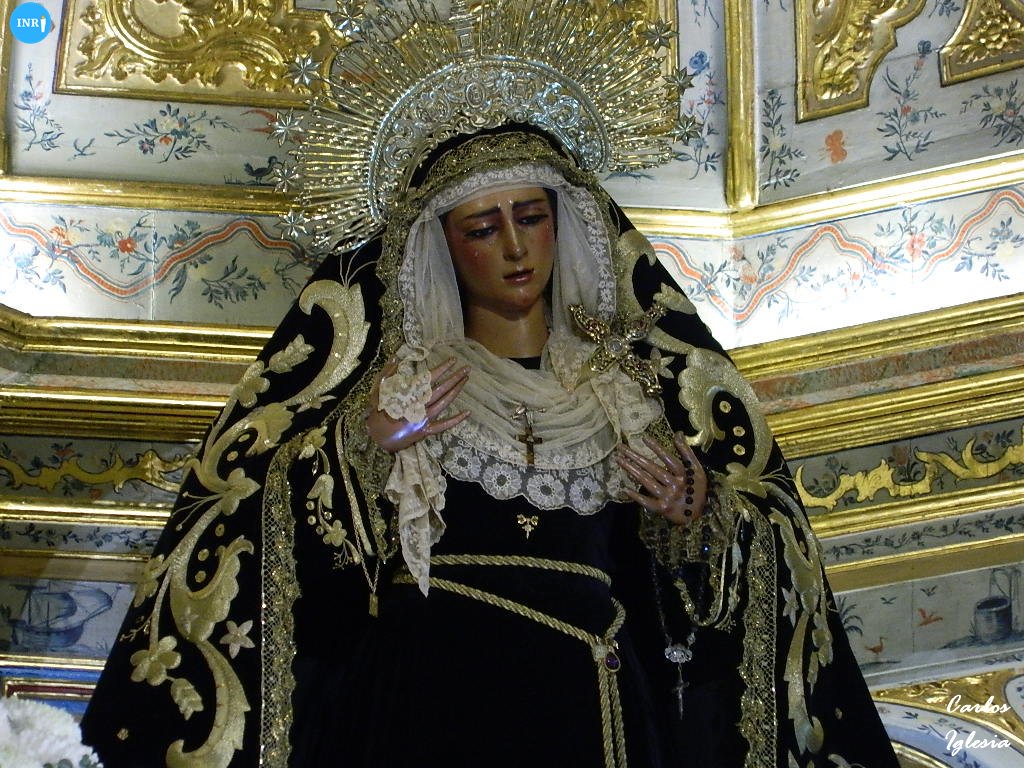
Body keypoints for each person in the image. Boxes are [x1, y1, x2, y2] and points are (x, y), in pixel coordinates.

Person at [81, 126, 901, 768]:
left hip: (595, 706)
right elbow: (269, 538)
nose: (514, 247)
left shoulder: (626, 401)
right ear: (442, 246)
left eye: (531, 218)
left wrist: (696, 520)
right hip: (431, 697)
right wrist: (359, 452)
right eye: (482, 227)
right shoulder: (400, 396)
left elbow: (688, 618)